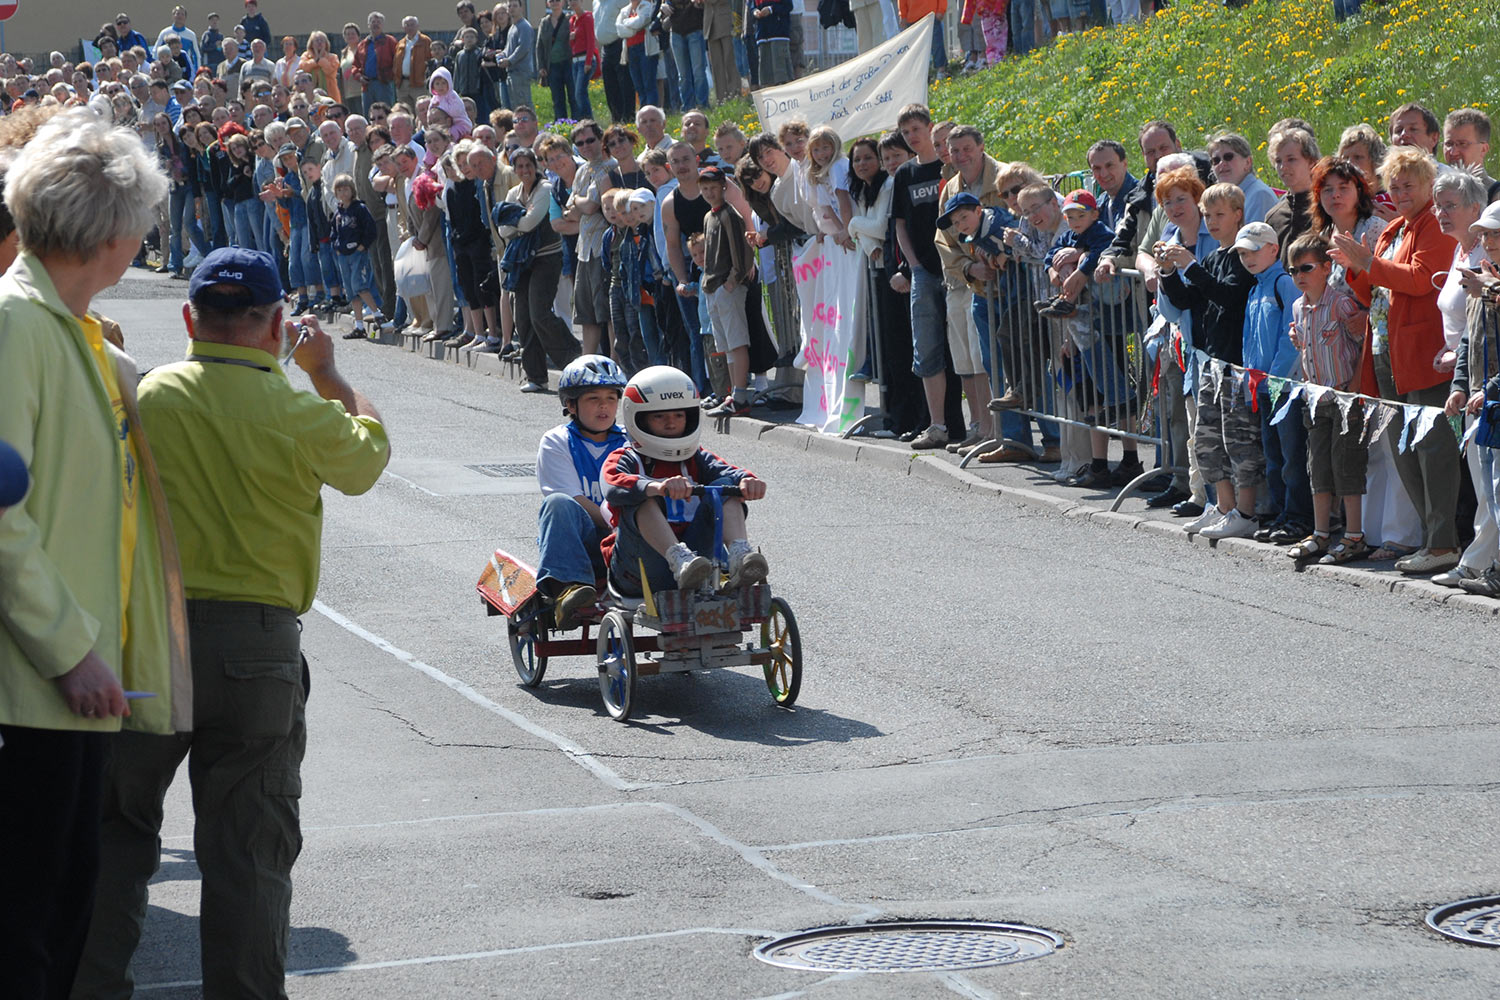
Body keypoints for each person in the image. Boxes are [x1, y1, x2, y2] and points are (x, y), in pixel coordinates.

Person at [75, 247, 389, 1000]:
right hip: (258, 647)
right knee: (249, 850)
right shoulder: (298, 408)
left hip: (148, 634)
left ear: (189, 318)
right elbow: (367, 458)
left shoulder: (148, 393)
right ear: (278, 324)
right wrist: (327, 372)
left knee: (116, 835)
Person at [0, 106, 187, 1000]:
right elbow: (2, 518)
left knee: (64, 921)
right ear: (111, 234)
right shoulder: (15, 326)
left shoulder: (68, 328)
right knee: (26, 935)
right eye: (142, 219)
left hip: (72, 690)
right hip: (34, 687)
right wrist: (70, 650)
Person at [1332, 145, 1462, 573]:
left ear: (1428, 184)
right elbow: (1373, 292)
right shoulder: (1393, 230)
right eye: (1394, 185)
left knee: (1432, 450)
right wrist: (1357, 266)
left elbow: (1424, 281)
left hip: (1422, 355)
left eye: (1410, 184)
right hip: (1386, 354)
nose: (1401, 192)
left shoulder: (1432, 226)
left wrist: (1366, 261)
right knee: (1405, 450)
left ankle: (1443, 543)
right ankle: (1431, 540)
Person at [601, 365, 768, 595]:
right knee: (641, 499)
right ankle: (678, 559)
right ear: (638, 419)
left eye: (678, 415)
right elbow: (612, 484)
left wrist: (748, 481)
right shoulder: (626, 458)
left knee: (725, 488)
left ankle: (740, 556)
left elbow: (727, 470)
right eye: (660, 416)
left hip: (698, 565)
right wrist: (656, 487)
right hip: (638, 569)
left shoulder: (696, 457)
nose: (671, 423)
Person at [1283, 233, 1370, 564]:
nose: (1299, 276)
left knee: (1346, 466)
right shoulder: (1298, 307)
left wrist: (1356, 388)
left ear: (1325, 267)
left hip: (1345, 396)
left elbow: (1359, 345)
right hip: (1315, 396)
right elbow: (1306, 346)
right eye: (1293, 271)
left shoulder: (1341, 303)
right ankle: (1321, 533)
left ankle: (1354, 535)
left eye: (1306, 268)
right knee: (1317, 467)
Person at [535, 355, 631, 626]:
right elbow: (573, 498)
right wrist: (619, 522)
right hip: (585, 541)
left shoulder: (630, 440)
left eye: (611, 398)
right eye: (593, 398)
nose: (604, 406)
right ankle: (569, 589)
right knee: (558, 503)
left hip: (630, 541)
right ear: (571, 405)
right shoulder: (557, 441)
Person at [1449, 202, 1500, 596]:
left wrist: (1491, 389)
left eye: (1496, 233)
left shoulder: (1490, 286)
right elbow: (1468, 341)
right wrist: (1460, 385)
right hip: (1483, 405)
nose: (1489, 242)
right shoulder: (1482, 281)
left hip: (1494, 400)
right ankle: (1486, 565)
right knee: (1489, 490)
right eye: (1484, 234)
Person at [500, 146, 581, 391]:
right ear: (514, 169)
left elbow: (528, 222)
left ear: (536, 166)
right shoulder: (514, 191)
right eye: (520, 166)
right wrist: (518, 221)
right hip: (521, 262)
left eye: (528, 165)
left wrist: (518, 220)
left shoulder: (544, 189)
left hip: (546, 258)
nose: (525, 170)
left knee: (540, 313)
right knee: (522, 318)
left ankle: (574, 360)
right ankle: (536, 376)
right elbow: (503, 228)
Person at [698, 165, 756, 415]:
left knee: (737, 342)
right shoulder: (709, 216)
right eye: (705, 188)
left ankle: (741, 394)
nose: (710, 192)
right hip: (712, 285)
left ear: (724, 186)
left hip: (726, 285)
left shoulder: (728, 215)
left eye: (714, 187)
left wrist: (733, 280)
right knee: (727, 346)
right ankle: (733, 393)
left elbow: (741, 250)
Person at [354, 12, 399, 109]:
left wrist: (392, 75)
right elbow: (355, 65)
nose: (376, 24)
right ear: (368, 25)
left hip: (384, 84)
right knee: (369, 114)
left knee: (386, 112)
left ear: (382, 25)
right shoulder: (362, 44)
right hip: (367, 85)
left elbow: (398, 61)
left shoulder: (390, 41)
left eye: (378, 22)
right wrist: (359, 77)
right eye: (373, 22)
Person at [537, 0, 573, 119]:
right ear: (547, 4)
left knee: (573, 97)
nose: (554, 3)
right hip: (552, 65)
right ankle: (561, 125)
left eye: (557, 0)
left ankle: (578, 123)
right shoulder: (544, 22)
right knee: (557, 99)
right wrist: (541, 66)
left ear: (563, 3)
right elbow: (539, 46)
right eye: (551, 1)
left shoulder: (570, 19)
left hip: (569, 63)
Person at [395, 16, 434, 110]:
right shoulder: (400, 43)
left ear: (417, 26)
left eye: (412, 25)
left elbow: (431, 61)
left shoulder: (425, 41)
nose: (410, 27)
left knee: (421, 110)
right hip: (403, 84)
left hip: (419, 84)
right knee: (405, 111)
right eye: (407, 25)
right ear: (403, 27)